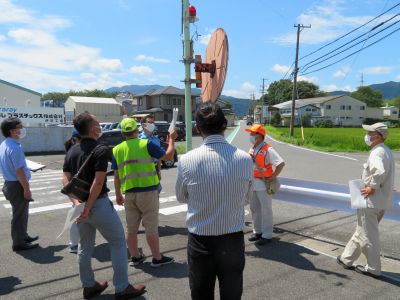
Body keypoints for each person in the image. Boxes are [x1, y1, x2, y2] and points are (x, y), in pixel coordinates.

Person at [63, 113, 145, 299]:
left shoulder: (72, 150)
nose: (100, 125)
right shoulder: (100, 149)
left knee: (84, 246)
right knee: (117, 243)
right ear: (93, 128)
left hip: (80, 205)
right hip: (98, 205)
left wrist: (77, 204)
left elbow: (66, 178)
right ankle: (122, 287)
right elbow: (98, 182)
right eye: (97, 123)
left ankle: (89, 285)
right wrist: (88, 207)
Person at [176, 102, 253, 300]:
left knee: (201, 294)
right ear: (225, 125)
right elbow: (247, 197)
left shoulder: (186, 160)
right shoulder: (245, 159)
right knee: (232, 294)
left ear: (198, 128)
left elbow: (181, 197)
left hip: (200, 241)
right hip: (233, 239)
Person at [112, 117, 177, 268]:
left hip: (128, 193)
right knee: (151, 227)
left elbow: (116, 176)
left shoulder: (117, 149)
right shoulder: (146, 144)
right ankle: (157, 258)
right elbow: (167, 156)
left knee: (131, 228)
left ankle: (135, 257)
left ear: (122, 132)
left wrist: (117, 195)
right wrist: (172, 140)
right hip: (148, 192)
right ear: (137, 130)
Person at [337, 122, 395, 278]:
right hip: (380, 201)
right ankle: (346, 259)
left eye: (370, 133)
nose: (368, 136)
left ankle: (373, 268)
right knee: (362, 230)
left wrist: (372, 187)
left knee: (368, 235)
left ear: (379, 136)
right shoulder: (387, 151)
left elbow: (379, 171)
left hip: (371, 200)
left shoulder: (377, 152)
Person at [0, 117, 39, 251]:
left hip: (10, 183)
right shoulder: (15, 148)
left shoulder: (5, 144)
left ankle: (23, 236)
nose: (22, 129)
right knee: (19, 215)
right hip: (16, 185)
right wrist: (26, 189)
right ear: (12, 131)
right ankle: (18, 243)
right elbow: (19, 171)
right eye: (20, 127)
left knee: (22, 213)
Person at [245, 124, 285, 245]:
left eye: (252, 133)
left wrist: (272, 177)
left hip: (264, 184)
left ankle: (267, 235)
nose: (250, 135)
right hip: (253, 184)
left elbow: (281, 163)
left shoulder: (268, 149)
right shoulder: (253, 148)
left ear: (259, 136)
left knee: (266, 209)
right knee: (255, 209)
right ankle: (257, 231)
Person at [64, 129, 82, 254]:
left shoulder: (70, 152)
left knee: (76, 215)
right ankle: (74, 244)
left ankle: (74, 243)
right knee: (77, 217)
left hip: (75, 189)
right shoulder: (76, 151)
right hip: (81, 189)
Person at [138, 115, 162, 193]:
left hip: (154, 168)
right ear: (143, 125)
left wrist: (159, 171)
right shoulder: (138, 139)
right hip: (142, 169)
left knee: (156, 192)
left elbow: (159, 157)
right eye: (149, 122)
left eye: (153, 122)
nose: (152, 124)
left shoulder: (156, 139)